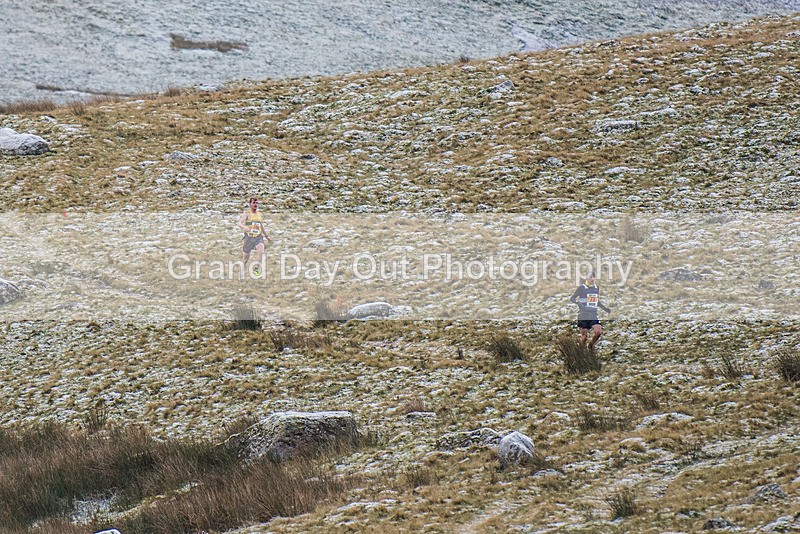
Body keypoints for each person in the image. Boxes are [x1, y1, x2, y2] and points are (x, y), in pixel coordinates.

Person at [569, 272, 611, 350]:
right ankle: (580, 352)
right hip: (583, 314)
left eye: (593, 277)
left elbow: (596, 301)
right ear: (586, 278)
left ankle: (591, 345)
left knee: (598, 332)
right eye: (590, 277)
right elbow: (572, 298)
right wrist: (579, 303)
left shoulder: (596, 288)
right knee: (584, 338)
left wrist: (604, 308)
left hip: (593, 314)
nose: (592, 279)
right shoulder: (582, 287)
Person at [238, 197, 271, 275]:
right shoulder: (247, 214)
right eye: (254, 203)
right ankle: (242, 270)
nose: (255, 204)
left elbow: (261, 226)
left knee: (261, 252)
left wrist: (266, 236)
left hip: (258, 237)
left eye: (257, 203)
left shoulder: (259, 214)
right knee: (245, 258)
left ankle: (256, 268)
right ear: (250, 204)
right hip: (249, 238)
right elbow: (239, 223)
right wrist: (244, 227)